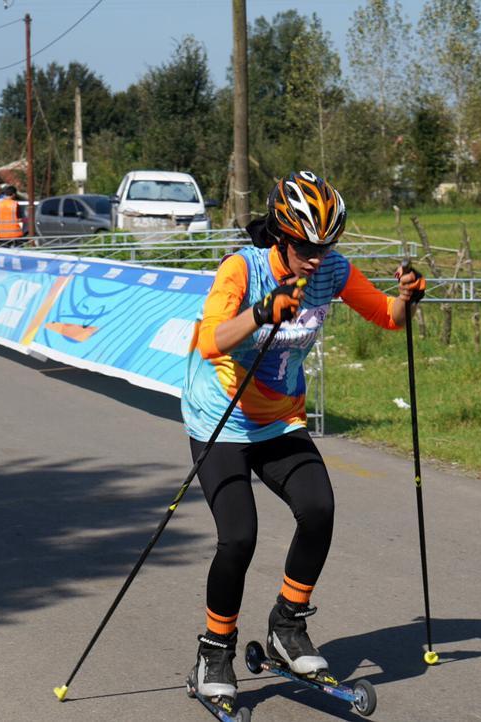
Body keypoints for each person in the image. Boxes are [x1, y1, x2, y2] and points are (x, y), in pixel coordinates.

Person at [181, 171, 424, 706]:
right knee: (239, 537)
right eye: (304, 247)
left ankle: (286, 627)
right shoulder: (241, 269)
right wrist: (261, 312)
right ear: (280, 236)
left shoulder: (331, 270)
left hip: (279, 420)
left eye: (324, 245)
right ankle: (213, 651)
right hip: (219, 418)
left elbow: (387, 316)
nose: (315, 257)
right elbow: (209, 341)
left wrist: (408, 297)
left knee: (318, 509)